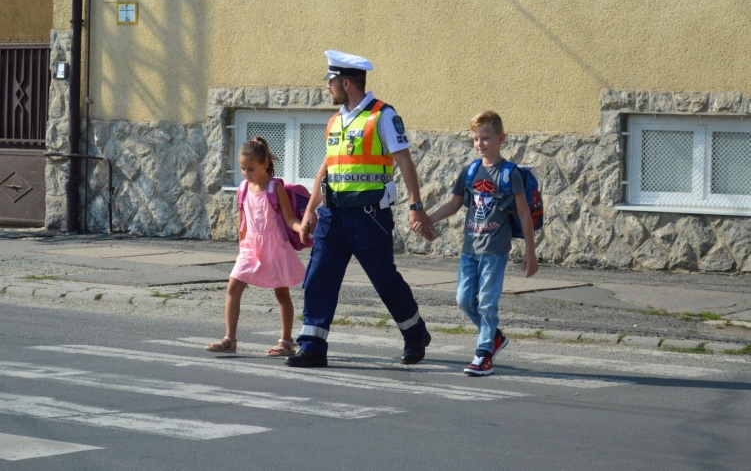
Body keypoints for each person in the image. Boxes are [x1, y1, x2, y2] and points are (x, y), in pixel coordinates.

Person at [284, 50, 434, 368]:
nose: (328, 86)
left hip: (369, 217)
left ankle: (415, 334)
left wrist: (416, 206)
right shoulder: (335, 121)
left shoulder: (383, 116)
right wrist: (310, 209)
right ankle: (312, 346)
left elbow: (405, 161)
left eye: (332, 81)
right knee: (318, 277)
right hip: (333, 215)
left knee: (384, 280)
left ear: (347, 82)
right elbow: (327, 167)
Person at [425, 111, 538, 376]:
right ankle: (495, 336)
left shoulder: (510, 174)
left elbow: (524, 214)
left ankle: (484, 353)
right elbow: (455, 204)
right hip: (470, 250)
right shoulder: (470, 171)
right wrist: (429, 219)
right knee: (464, 300)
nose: (480, 144)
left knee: (487, 302)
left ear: (501, 138)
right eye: (476, 139)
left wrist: (530, 252)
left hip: (495, 252)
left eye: (485, 138)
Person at [207, 137, 306, 356]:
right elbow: (242, 221)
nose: (246, 173)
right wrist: (241, 248)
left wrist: (301, 228)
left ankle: (286, 341)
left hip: (274, 246)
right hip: (250, 246)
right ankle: (229, 339)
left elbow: (289, 218)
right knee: (233, 287)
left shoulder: (275, 187)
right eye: (242, 168)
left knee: (281, 294)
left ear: (265, 164)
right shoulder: (242, 188)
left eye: (250, 169)